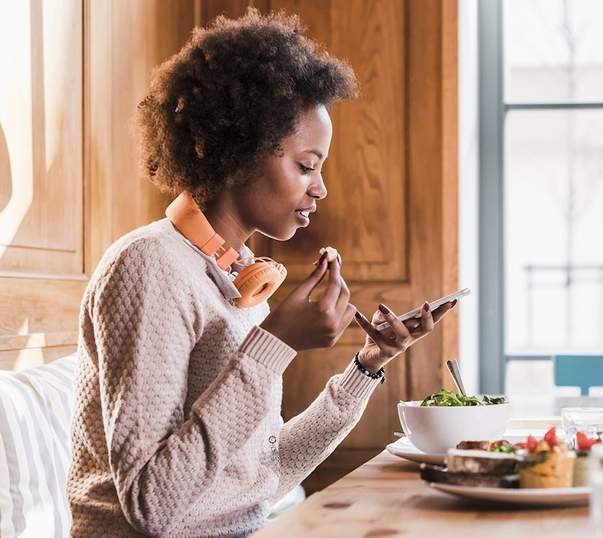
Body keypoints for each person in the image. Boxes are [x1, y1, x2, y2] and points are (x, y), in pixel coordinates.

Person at [67, 10, 456, 537]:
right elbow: (150, 503)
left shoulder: (241, 281)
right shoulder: (147, 266)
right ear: (240, 153)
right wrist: (275, 344)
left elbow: (259, 482)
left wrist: (367, 365)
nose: (320, 189)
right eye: (306, 165)